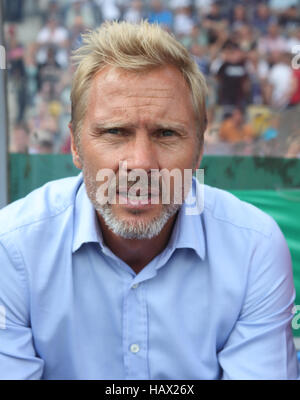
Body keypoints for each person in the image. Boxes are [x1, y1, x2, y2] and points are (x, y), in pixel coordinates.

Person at [0, 21, 298, 380]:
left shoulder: (253, 247)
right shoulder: (12, 247)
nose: (140, 163)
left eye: (167, 133)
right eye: (115, 132)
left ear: (200, 148)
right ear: (76, 146)